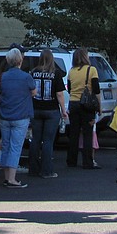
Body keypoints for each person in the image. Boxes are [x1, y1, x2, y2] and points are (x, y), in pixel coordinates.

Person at [0, 47, 36, 188]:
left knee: (6, 145)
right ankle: (12, 179)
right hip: (21, 115)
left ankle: (7, 177)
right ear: (20, 60)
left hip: (5, 116)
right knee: (15, 147)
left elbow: (0, 92)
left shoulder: (4, 76)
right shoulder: (26, 77)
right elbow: (33, 92)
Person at [28, 48, 66, 178]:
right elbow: (60, 94)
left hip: (36, 108)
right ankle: (46, 170)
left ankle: (33, 169)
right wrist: (63, 110)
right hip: (51, 109)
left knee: (36, 139)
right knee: (48, 141)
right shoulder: (56, 73)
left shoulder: (33, 72)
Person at [66, 48, 101, 169]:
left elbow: (69, 89)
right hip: (87, 105)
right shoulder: (92, 70)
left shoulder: (71, 71)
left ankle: (71, 160)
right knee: (87, 133)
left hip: (73, 103)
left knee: (74, 133)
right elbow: (96, 90)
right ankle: (87, 161)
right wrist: (99, 107)